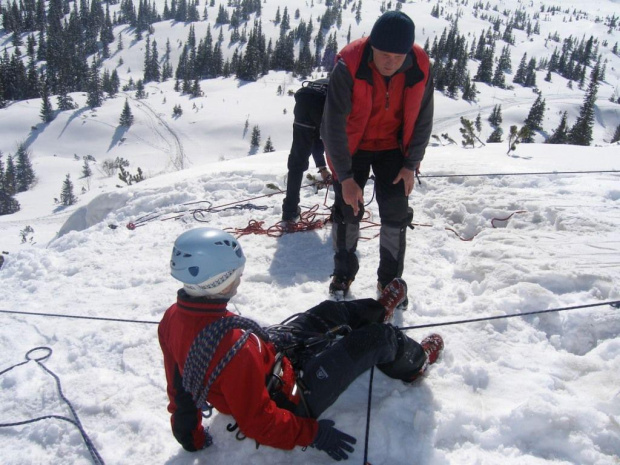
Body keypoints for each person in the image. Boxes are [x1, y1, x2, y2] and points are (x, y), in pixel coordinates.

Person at [158, 227, 443, 461]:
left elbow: (179, 385)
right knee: (378, 338)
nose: (240, 277)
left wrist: (189, 435)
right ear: (218, 281)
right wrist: (313, 433)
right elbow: (258, 422)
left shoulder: (173, 318)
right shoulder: (235, 350)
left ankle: (378, 311)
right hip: (291, 398)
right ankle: (415, 363)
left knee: (330, 311)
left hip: (274, 360)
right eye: (236, 274)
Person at [320, 11, 434, 299]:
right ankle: (343, 274)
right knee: (348, 211)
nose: (390, 62)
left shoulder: (419, 66)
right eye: (384, 54)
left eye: (398, 56)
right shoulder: (350, 65)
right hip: (352, 146)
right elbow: (332, 125)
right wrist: (345, 177)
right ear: (372, 46)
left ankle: (390, 282)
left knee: (396, 214)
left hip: (393, 148)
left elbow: (423, 118)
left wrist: (411, 165)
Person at [281, 79, 333, 223]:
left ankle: (289, 210)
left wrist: (322, 168)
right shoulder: (336, 86)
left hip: (303, 103)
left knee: (297, 159)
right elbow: (319, 141)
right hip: (323, 104)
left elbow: (314, 140)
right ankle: (341, 210)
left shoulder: (316, 86)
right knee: (338, 153)